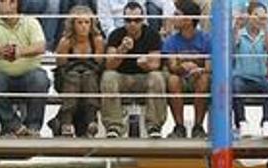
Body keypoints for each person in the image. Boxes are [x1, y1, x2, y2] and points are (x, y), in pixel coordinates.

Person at [101, 1, 167, 139]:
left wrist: (146, 65)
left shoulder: (152, 34)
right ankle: (114, 126)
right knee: (108, 76)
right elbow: (109, 64)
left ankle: (154, 126)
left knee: (157, 77)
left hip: (144, 78)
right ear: (123, 20)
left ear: (143, 20)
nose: (132, 24)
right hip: (122, 78)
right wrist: (122, 50)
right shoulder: (116, 35)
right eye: (128, 20)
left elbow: (156, 64)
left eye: (137, 20)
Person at [0, 0, 50, 137]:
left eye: (2, 1)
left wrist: (19, 51)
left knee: (40, 79)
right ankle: (14, 125)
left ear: (14, 3)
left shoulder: (31, 22)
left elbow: (40, 46)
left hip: (29, 73)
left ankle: (33, 127)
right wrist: (2, 51)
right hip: (1, 74)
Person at [163, 0, 212, 138]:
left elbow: (209, 67)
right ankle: (179, 127)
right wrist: (182, 67)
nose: (173, 18)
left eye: (177, 14)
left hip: (199, 77)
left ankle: (198, 127)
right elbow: (172, 67)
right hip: (181, 78)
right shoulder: (171, 41)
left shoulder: (206, 39)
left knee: (204, 79)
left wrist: (199, 69)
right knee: (172, 80)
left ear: (188, 20)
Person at [53, 5, 104, 137]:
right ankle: (66, 122)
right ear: (73, 24)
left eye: (87, 22)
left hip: (91, 77)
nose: (83, 26)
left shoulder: (97, 41)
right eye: (79, 22)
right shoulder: (65, 42)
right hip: (68, 79)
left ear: (91, 24)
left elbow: (99, 66)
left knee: (88, 76)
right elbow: (60, 69)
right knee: (73, 77)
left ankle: (91, 121)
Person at [232, 1, 268, 138]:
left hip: (260, 78)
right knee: (235, 86)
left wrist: (266, 26)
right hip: (242, 77)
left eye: (262, 16)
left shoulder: (265, 34)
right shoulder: (240, 33)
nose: (259, 19)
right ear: (249, 16)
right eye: (256, 15)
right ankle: (242, 123)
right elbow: (233, 44)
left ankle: (267, 123)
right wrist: (236, 26)